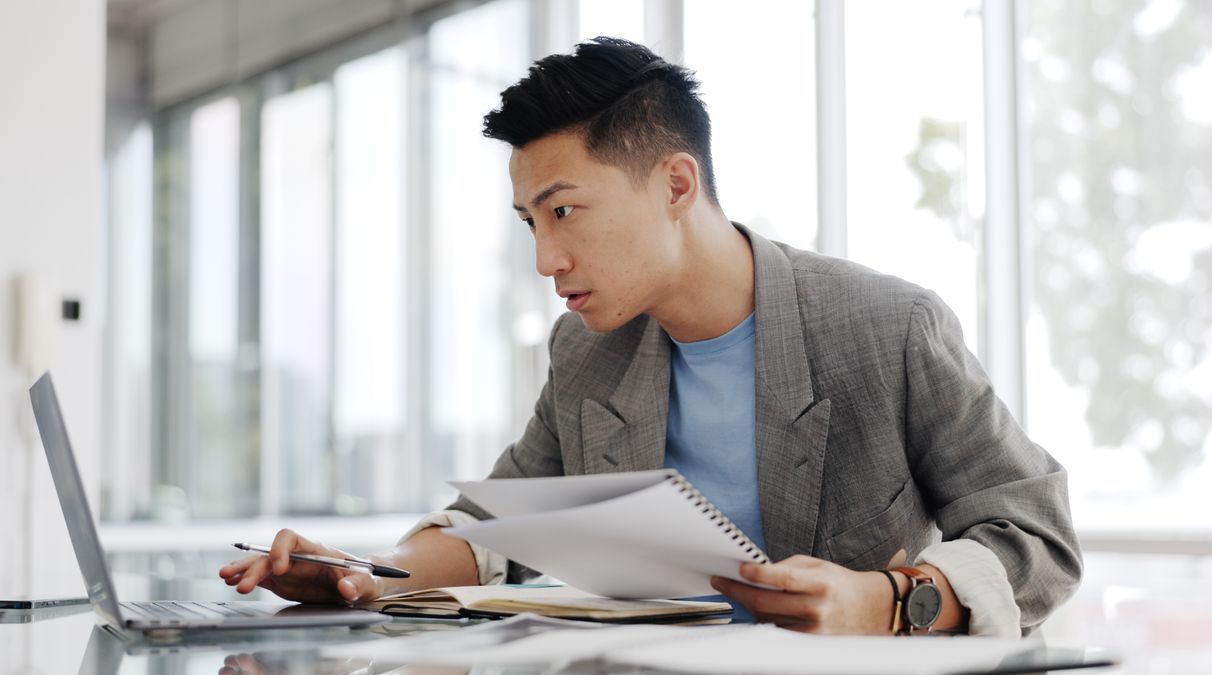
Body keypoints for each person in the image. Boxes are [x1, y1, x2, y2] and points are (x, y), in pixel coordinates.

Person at [221, 37, 1081, 636]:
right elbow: (496, 521)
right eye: (529, 222)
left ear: (676, 182)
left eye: (564, 211)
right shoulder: (587, 350)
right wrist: (367, 572)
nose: (545, 257)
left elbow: (1036, 536)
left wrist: (894, 601)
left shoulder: (888, 327)